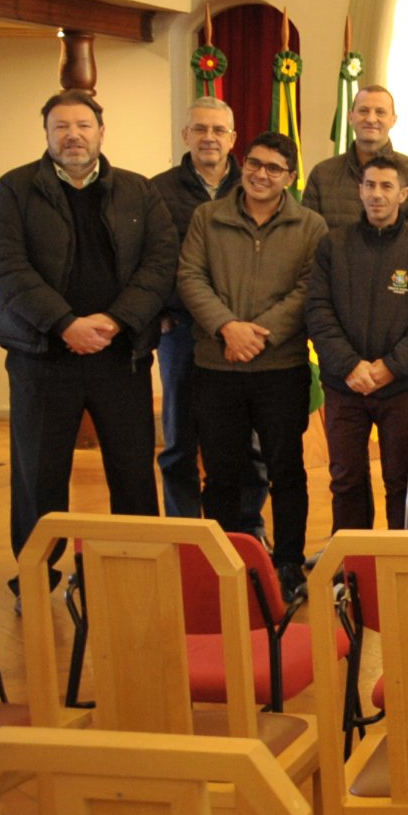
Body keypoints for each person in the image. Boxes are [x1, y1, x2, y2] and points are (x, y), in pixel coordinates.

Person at [0, 91, 176, 592]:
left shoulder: (138, 192)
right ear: (46, 134)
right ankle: (35, 577)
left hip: (120, 356)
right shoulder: (14, 190)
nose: (73, 135)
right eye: (61, 126)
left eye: (83, 125)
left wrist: (113, 321)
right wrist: (64, 323)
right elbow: (3, 264)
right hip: (41, 356)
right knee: (38, 476)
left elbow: (159, 264)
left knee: (132, 471)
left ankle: (139, 572)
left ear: (101, 133)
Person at [174, 131, 327, 591]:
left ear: (290, 177)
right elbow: (190, 276)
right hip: (217, 365)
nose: (262, 174)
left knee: (287, 470)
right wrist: (228, 328)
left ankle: (287, 563)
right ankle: (224, 559)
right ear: (244, 165)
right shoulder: (208, 216)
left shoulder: (310, 226)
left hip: (281, 368)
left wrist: (259, 334)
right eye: (255, 164)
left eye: (274, 169)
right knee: (221, 472)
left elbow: (308, 289)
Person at [306, 152, 408, 532]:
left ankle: (400, 563)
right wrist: (349, 366)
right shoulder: (332, 246)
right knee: (346, 480)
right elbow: (319, 312)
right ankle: (352, 565)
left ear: (403, 194)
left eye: (387, 186)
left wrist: (391, 367)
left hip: (400, 387)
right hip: (344, 385)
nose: (377, 194)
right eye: (370, 185)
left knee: (400, 481)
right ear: (360, 191)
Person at [150, 95, 263, 526]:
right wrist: (157, 310)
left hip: (242, 333)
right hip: (181, 332)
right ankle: (184, 535)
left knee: (247, 444)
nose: (209, 138)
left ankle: (247, 534)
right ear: (186, 136)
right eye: (200, 129)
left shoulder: (253, 186)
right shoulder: (157, 190)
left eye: (219, 130)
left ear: (233, 138)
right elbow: (152, 260)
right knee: (180, 441)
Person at [299, 84, 408, 239]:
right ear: (350, 117)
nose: (371, 119)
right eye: (363, 111)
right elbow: (307, 241)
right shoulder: (322, 175)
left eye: (380, 112)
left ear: (393, 120)